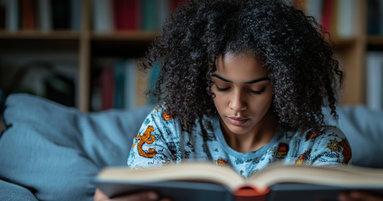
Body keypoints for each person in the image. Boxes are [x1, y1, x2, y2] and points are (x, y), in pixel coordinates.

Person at [95, 0, 360, 200]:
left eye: (256, 90)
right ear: (202, 79)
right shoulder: (168, 127)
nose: (236, 105)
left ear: (284, 85)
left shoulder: (320, 145)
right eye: (222, 87)